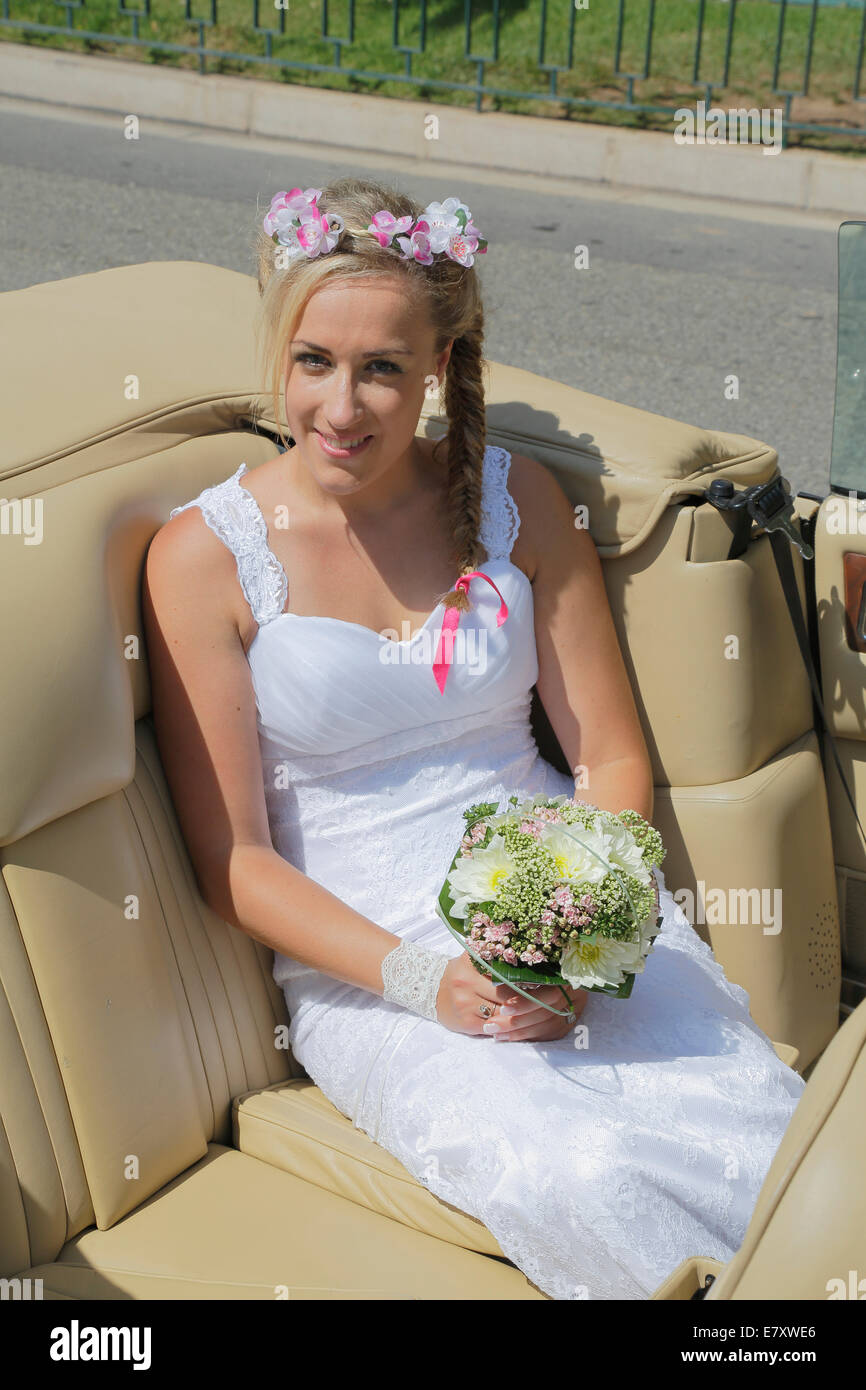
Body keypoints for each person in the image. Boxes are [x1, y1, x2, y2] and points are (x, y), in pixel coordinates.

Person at [143, 176, 806, 1300]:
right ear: (276, 354)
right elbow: (234, 862)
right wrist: (426, 979)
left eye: (382, 368)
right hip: (368, 958)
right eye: (312, 361)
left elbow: (607, 756)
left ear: (438, 367)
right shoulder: (203, 558)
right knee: (577, 1169)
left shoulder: (521, 502)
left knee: (755, 1130)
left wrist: (572, 940)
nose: (341, 407)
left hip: (561, 888)